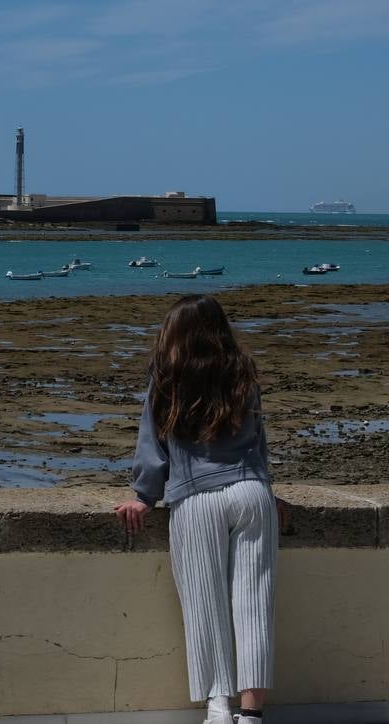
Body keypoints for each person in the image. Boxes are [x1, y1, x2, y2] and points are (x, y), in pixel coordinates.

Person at [115, 294, 283, 724]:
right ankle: (251, 714)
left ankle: (217, 708)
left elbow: (151, 445)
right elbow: (258, 439)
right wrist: (267, 488)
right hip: (250, 492)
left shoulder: (167, 378)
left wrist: (143, 496)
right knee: (254, 605)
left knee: (205, 606)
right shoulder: (241, 373)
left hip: (197, 498)